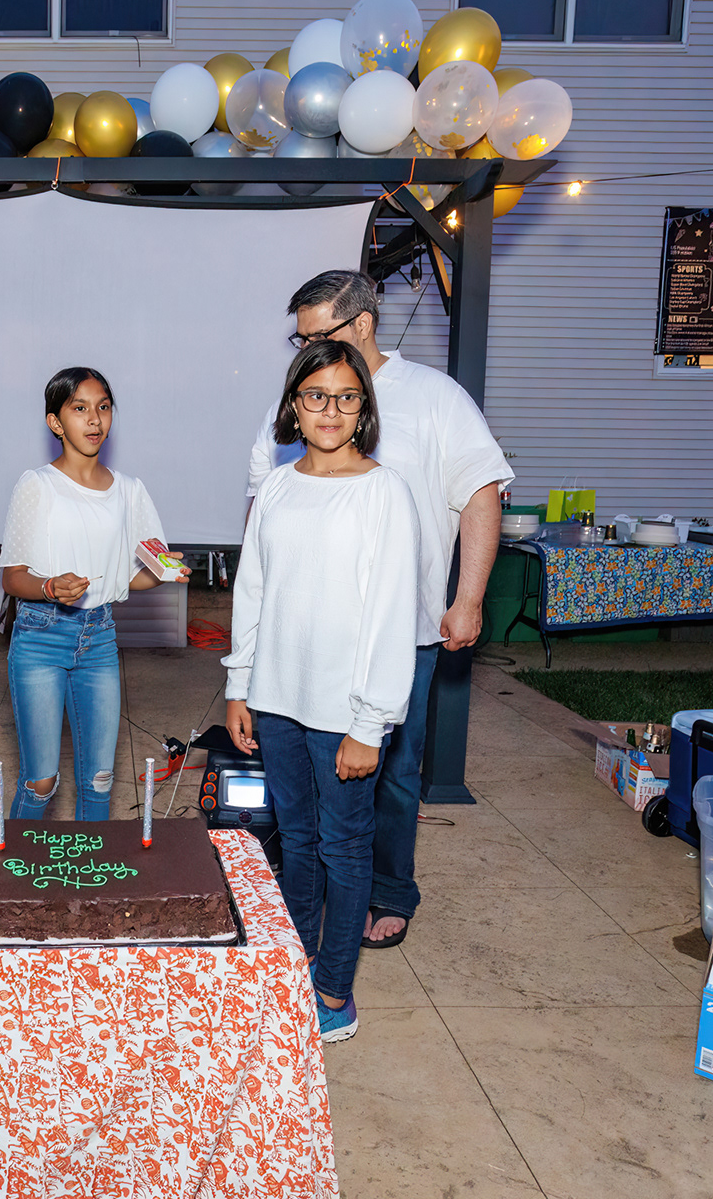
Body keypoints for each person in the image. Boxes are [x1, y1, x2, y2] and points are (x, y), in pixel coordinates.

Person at [246, 270, 512, 952]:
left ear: (362, 324)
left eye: (318, 333)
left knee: (391, 771)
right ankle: (315, 906)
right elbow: (263, 515)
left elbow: (480, 493)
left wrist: (468, 598)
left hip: (404, 631)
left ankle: (386, 891)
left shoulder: (434, 397)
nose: (307, 349)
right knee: (305, 792)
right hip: (301, 649)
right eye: (300, 340)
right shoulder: (295, 404)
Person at [224, 339, 419, 1043]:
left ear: (363, 407)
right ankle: (297, 962)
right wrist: (240, 685)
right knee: (298, 842)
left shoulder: (383, 492)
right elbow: (253, 592)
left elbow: (392, 615)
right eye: (316, 396)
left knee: (344, 848)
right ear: (294, 406)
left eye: (345, 397)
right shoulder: (277, 487)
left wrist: (371, 723)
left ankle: (334, 989)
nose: (330, 410)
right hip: (277, 702)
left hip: (345, 713)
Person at [0, 367, 187, 820]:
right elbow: (13, 578)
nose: (94, 419)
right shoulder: (37, 485)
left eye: (103, 407)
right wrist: (48, 588)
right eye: (79, 408)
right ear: (55, 422)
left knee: (100, 779)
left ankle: (90, 868)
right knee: (41, 782)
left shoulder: (130, 491)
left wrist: (163, 572)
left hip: (99, 639)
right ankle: (16, 865)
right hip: (40, 637)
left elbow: (126, 579)